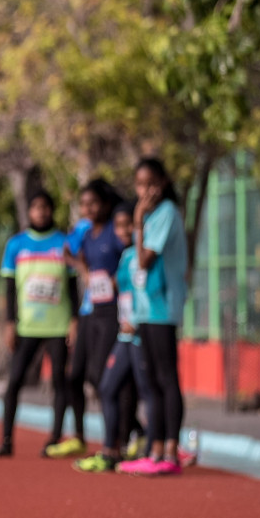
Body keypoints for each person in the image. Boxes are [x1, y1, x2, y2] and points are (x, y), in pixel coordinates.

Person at [116, 158, 190, 477]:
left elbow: (144, 260)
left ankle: (171, 449)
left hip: (163, 308)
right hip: (146, 310)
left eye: (151, 183)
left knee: (166, 378)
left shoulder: (166, 214)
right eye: (139, 185)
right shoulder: (153, 216)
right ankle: (155, 448)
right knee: (151, 381)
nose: (145, 190)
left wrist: (137, 220)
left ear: (163, 182)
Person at [0, 191, 79, 458]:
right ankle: (7, 440)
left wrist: (74, 320)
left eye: (45, 207)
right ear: (29, 212)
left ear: (52, 210)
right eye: (36, 207)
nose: (41, 212)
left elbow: (74, 287)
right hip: (27, 327)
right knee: (14, 381)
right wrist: (9, 323)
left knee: (58, 381)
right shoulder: (16, 245)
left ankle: (55, 437)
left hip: (58, 326)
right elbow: (9, 289)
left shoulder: (64, 243)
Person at [50, 179, 126, 458]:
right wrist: (78, 263)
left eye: (93, 203)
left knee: (100, 376)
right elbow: (67, 252)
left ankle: (122, 436)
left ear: (105, 204)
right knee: (76, 376)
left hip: (113, 313)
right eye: (83, 204)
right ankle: (81, 437)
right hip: (89, 311)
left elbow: (125, 263)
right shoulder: (86, 232)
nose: (88, 209)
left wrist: (112, 282)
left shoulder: (114, 232)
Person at [75, 202, 151, 473]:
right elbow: (113, 288)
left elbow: (150, 289)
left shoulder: (145, 255)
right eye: (118, 226)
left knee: (147, 391)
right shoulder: (127, 256)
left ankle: (152, 450)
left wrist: (138, 320)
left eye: (128, 225)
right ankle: (110, 450)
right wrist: (81, 266)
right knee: (106, 387)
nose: (122, 231)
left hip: (143, 333)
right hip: (124, 333)